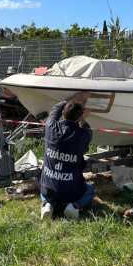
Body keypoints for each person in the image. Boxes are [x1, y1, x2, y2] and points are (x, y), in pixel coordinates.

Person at [40, 92, 95, 220]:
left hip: (48, 189)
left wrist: (72, 100)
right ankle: (74, 206)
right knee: (90, 189)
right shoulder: (83, 135)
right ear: (79, 116)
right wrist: (83, 118)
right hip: (70, 192)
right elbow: (86, 130)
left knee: (44, 186)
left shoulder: (50, 127)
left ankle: (47, 204)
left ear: (62, 113)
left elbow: (55, 109)